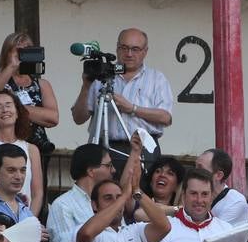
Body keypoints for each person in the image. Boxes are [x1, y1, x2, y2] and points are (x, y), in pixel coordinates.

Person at [70, 28, 173, 163]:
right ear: (117, 48)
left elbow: (166, 118)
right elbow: (78, 118)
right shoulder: (100, 77)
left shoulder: (156, 79)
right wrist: (86, 86)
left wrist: (132, 108)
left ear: (145, 51)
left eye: (135, 49)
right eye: (124, 48)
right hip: (102, 149)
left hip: (143, 148)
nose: (129, 54)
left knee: (138, 185)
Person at [0, 31, 60, 172]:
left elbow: (52, 118)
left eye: (27, 49)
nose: (23, 53)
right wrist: (11, 67)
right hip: (1, 145)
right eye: (18, 49)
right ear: (7, 52)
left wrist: (15, 107)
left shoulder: (42, 84)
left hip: (35, 147)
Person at [47, 144, 112, 242]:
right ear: (91, 171)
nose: (113, 170)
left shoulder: (108, 203)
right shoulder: (63, 205)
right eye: (108, 165)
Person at [0, 90, 43, 216]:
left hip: (24, 220)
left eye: (8, 105)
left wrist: (28, 222)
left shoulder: (32, 149)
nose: (5, 110)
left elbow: (37, 194)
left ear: (17, 112)